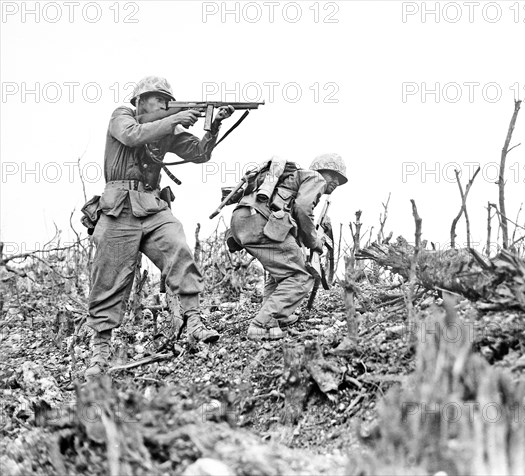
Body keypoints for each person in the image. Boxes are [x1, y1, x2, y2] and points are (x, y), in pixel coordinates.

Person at [84, 76, 234, 378]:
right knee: (109, 276)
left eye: (168, 98)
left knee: (178, 248)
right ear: (140, 101)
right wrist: (176, 118)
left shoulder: (167, 128)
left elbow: (199, 153)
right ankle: (100, 351)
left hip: (152, 206)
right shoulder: (122, 116)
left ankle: (193, 321)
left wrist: (213, 124)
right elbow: (131, 135)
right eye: (158, 98)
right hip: (119, 209)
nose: (165, 103)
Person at [228, 153, 348, 339]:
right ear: (323, 171)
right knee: (301, 275)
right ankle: (263, 323)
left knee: (281, 274)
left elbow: (294, 218)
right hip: (260, 220)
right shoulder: (315, 178)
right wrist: (315, 241)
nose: (336, 183)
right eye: (335, 176)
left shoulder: (293, 181)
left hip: (242, 220)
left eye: (340, 180)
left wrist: (305, 240)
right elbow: (302, 208)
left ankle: (275, 318)